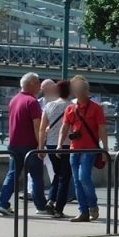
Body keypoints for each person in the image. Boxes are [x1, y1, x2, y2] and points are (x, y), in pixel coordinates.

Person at [0, 73, 48, 216]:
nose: (39, 86)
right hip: (30, 145)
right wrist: (40, 146)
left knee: (12, 174)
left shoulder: (14, 100)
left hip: (14, 144)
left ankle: (3, 203)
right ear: (29, 84)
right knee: (37, 175)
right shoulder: (32, 102)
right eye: (37, 83)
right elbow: (37, 125)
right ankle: (41, 207)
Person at [59, 75, 106, 222]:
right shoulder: (70, 109)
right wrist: (60, 144)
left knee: (83, 177)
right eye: (75, 89)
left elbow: (102, 129)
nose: (78, 92)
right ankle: (83, 212)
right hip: (75, 149)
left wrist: (105, 149)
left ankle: (93, 206)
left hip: (90, 149)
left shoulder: (96, 108)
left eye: (81, 89)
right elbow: (64, 127)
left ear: (87, 90)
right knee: (77, 181)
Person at [41, 79, 71, 217]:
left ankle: (51, 200)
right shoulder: (72, 107)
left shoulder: (49, 106)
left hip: (51, 144)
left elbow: (42, 128)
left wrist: (41, 146)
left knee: (57, 174)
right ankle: (59, 209)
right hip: (67, 145)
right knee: (64, 177)